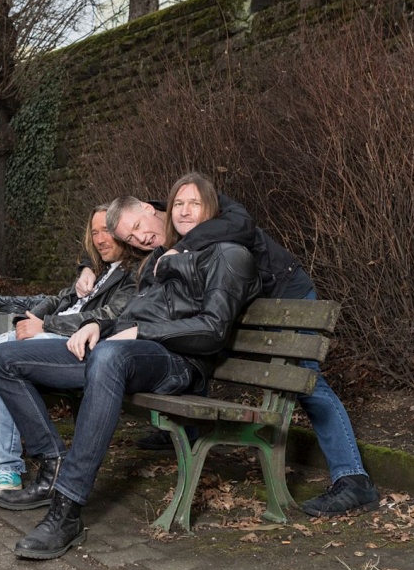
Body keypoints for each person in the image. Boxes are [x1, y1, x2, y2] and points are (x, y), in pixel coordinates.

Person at [0, 183, 261, 560]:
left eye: (193, 203)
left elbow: (212, 331)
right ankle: (52, 463)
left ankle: (66, 509)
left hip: (176, 362)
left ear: (212, 208)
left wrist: (140, 333)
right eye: (178, 203)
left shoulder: (229, 254)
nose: (183, 210)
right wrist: (99, 326)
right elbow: (131, 314)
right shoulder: (159, 257)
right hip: (125, 351)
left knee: (109, 357)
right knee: (3, 358)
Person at [94, 172, 379, 519]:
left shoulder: (201, 207)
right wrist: (87, 270)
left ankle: (353, 478)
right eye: (131, 238)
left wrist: (181, 247)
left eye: (139, 226)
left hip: (283, 294)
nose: (140, 238)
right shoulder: (164, 232)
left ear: (147, 208)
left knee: (305, 381)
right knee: (195, 348)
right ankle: (185, 429)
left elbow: (241, 225)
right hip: (241, 305)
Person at [0, 205, 138, 495]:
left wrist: (45, 326)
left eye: (106, 230)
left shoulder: (133, 274)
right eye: (94, 233)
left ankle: (7, 467)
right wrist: (31, 318)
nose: (99, 239)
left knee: (5, 363)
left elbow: (109, 317)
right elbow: (59, 299)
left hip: (71, 344)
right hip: (43, 334)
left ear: (124, 228)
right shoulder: (98, 270)